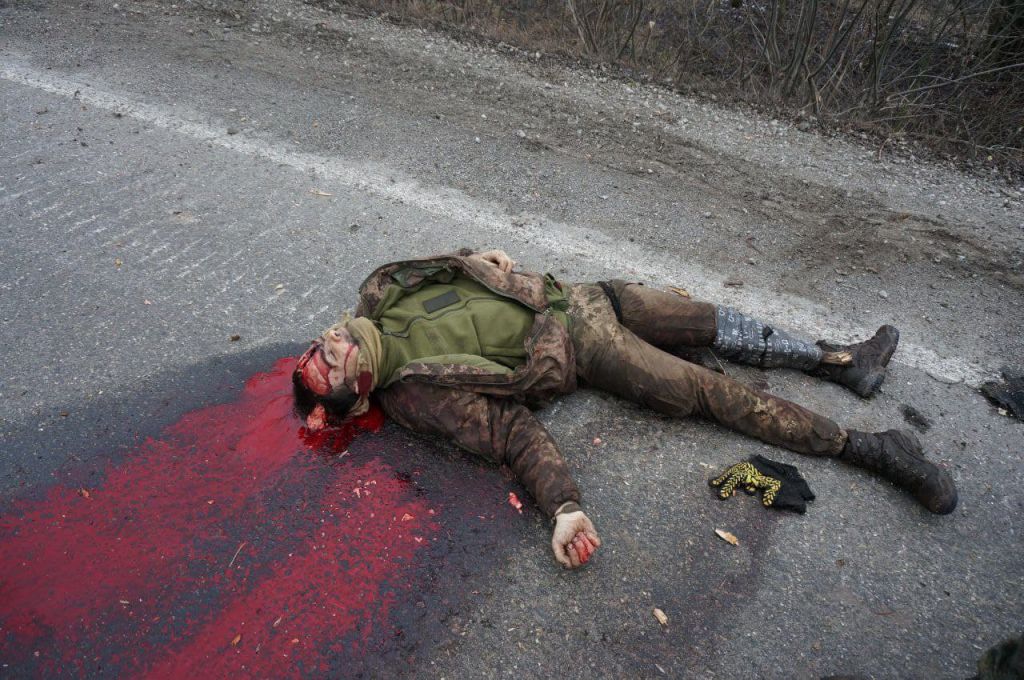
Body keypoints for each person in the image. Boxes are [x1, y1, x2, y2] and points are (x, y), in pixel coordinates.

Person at [292, 249, 958, 569]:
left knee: (707, 319)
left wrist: (477, 259)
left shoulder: (380, 292)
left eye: (320, 345)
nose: (328, 341)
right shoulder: (415, 395)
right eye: (327, 365)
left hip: (576, 294)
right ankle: (868, 448)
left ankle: (839, 361)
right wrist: (564, 507)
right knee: (708, 393)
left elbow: (451, 274)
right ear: (357, 395)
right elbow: (512, 432)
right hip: (585, 346)